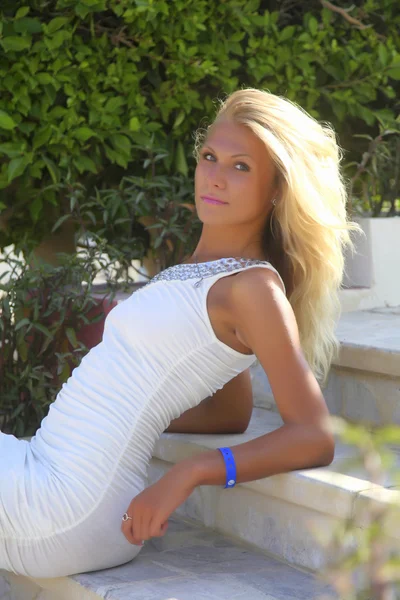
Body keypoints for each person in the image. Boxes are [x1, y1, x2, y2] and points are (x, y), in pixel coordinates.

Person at [0, 87, 360, 578]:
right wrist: (122, 404)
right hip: (49, 472)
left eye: (240, 166)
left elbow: (315, 436)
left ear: (278, 188)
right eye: (209, 157)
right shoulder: (201, 272)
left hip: (69, 502)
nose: (214, 176)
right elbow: (231, 412)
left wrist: (191, 472)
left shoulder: (252, 288)